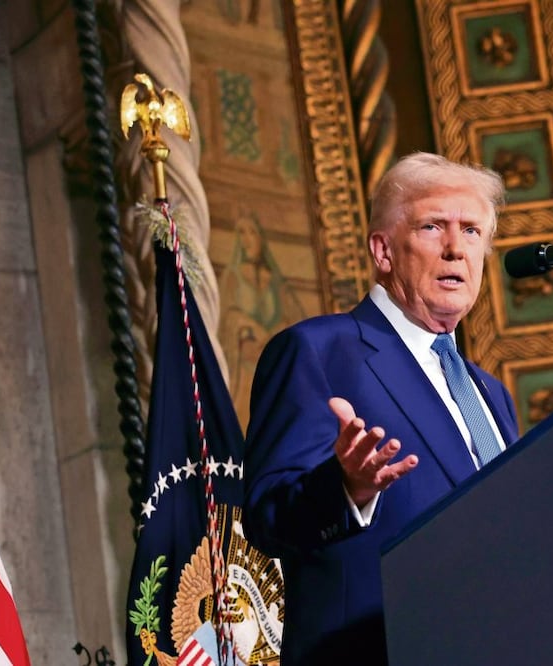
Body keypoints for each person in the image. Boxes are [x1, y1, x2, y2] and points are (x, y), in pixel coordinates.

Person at [243, 152, 519, 665]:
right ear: (384, 250)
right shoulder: (319, 350)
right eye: (434, 227)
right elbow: (267, 518)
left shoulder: (491, 394)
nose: (457, 248)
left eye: (473, 231)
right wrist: (347, 488)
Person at [219, 211, 304, 426]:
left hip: (274, 367)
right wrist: (249, 326)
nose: (247, 240)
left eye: (252, 233)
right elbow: (225, 318)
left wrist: (274, 336)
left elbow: (297, 322)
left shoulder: (277, 283)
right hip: (243, 371)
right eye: (241, 233)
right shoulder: (231, 278)